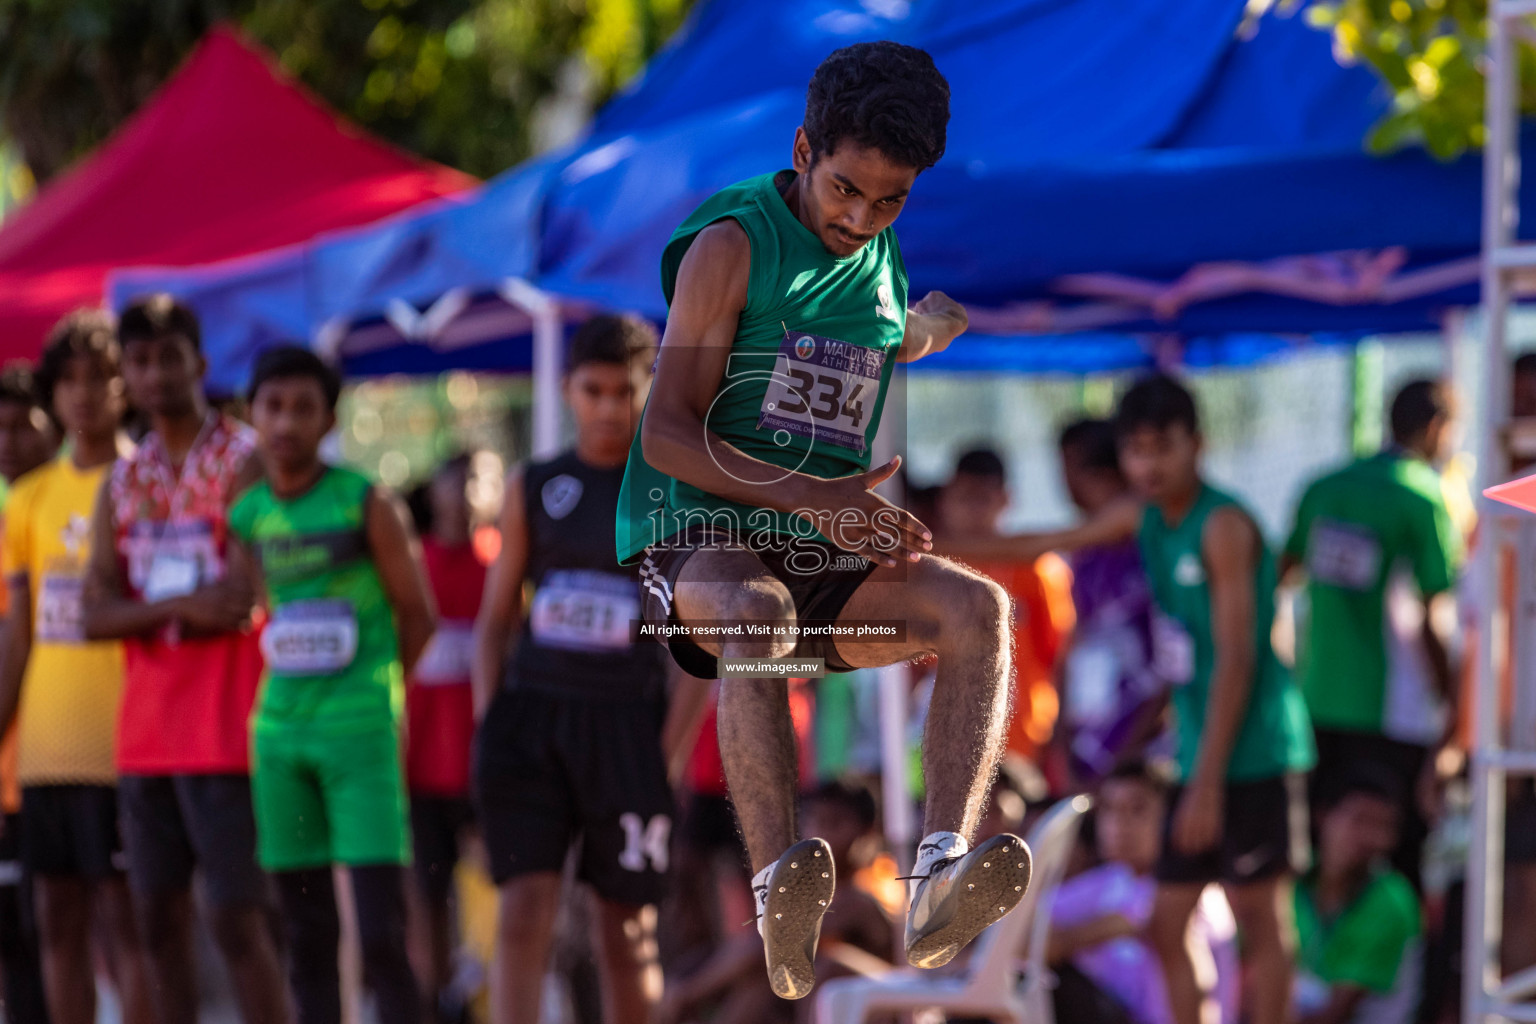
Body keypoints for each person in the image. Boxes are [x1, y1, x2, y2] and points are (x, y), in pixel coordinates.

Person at [616, 41, 1030, 1000]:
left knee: (981, 613)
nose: (860, 218)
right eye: (845, 189)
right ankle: (775, 892)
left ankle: (934, 880)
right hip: (695, 527)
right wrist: (817, 499)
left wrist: (929, 327)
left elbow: (882, 333)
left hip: (816, 532)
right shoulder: (733, 247)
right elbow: (669, 431)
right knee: (756, 618)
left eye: (890, 201)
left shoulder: (878, 258)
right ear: (804, 148)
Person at [473, 315, 708, 1024]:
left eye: (624, 391)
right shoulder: (536, 485)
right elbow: (496, 620)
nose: (609, 407)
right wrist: (492, 725)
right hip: (533, 720)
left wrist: (665, 750)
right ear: (568, 390)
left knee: (625, 929)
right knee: (521, 914)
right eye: (594, 390)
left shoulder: (675, 493)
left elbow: (703, 646)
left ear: (648, 390)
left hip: (627, 726)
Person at [81, 295, 287, 1024]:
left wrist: (145, 609)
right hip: (145, 743)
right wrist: (174, 608)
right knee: (157, 926)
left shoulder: (242, 458)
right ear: (125, 378)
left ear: (200, 364)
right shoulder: (121, 481)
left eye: (168, 356)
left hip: (228, 734)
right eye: (138, 361)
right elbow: (90, 614)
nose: (154, 373)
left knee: (238, 921)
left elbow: (241, 598)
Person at [227, 345, 435, 1024]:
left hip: (360, 738)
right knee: (306, 938)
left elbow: (419, 615)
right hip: (280, 738)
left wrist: (378, 693)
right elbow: (253, 606)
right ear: (252, 413)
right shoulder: (248, 514)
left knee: (379, 937)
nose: (286, 423)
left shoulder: (365, 502)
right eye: (273, 406)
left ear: (328, 419)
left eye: (302, 408)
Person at [1115, 374, 1315, 1024]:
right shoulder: (1150, 520)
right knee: (1166, 921)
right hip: (1199, 757)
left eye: (1162, 448)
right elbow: (1041, 541)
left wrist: (1205, 784)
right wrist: (906, 545)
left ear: (1196, 444)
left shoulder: (1223, 524)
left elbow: (1238, 656)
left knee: (1261, 917)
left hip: (1253, 754)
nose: (1149, 465)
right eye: (1136, 450)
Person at [0, 311, 153, 1024]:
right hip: (44, 750)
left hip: (129, 744)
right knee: (54, 921)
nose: (84, 395)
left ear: (126, 387)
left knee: (130, 925)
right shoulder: (26, 499)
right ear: (53, 394)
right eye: (68, 382)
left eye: (100, 379)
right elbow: (17, 633)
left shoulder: (150, 485)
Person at [1282, 378, 1461, 889]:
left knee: (1318, 855)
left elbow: (1282, 574)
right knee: (1393, 860)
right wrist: (1452, 701)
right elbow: (1432, 614)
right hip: (1394, 713)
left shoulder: (1324, 485)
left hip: (1316, 701)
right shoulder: (1422, 495)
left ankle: (1313, 966)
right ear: (1435, 428)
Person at [657, 781, 895, 1024]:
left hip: (890, 988)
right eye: (815, 821)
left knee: (818, 964)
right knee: (764, 975)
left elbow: (773, 940)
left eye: (835, 823)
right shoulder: (810, 886)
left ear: (866, 831)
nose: (822, 834)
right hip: (831, 992)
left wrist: (689, 991)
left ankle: (681, 997)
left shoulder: (866, 886)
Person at [1046, 762, 1238, 1024]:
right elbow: (1028, 932)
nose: (1119, 825)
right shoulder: (1112, 879)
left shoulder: (1191, 895)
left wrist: (1067, 940)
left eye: (1137, 810)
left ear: (1172, 817)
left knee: (1055, 985)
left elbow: (1050, 945)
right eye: (1110, 810)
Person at [403, 455, 485, 1024]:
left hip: (483, 767)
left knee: (491, 890)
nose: (471, 491)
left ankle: (481, 996)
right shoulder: (413, 565)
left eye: (484, 478)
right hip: (418, 769)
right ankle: (430, 1005)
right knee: (425, 899)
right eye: (461, 478)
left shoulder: (501, 564)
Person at [933, 447, 1075, 772]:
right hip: (945, 741)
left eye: (982, 497)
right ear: (945, 498)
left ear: (1005, 499)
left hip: (1023, 740)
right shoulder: (927, 570)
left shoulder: (1036, 569)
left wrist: (1060, 741)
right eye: (963, 496)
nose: (972, 508)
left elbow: (1059, 658)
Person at [1052, 419, 1167, 788]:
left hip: (1146, 746)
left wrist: (1128, 750)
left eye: (1076, 468)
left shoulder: (1155, 551)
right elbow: (1071, 647)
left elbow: (1171, 668)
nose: (1067, 483)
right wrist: (1064, 739)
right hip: (1089, 745)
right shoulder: (1081, 555)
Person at [0, 362, 58, 1024]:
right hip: (18, 768)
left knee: (42, 933)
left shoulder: (60, 510)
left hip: (43, 764)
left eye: (23, 425)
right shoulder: (13, 515)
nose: (8, 442)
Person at [1292, 767, 1423, 1024]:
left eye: (1384, 826)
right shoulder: (1286, 883)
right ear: (1323, 816)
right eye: (1359, 819)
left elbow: (1334, 1015)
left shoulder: (1393, 902)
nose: (1370, 838)